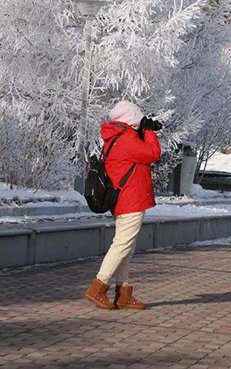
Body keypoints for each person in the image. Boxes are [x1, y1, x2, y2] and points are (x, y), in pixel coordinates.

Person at [84, 101, 161, 311]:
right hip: (131, 199)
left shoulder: (115, 137)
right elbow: (153, 153)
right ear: (130, 120)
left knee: (126, 247)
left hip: (123, 199)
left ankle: (123, 293)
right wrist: (149, 131)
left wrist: (143, 130)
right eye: (137, 120)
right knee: (121, 245)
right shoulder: (127, 139)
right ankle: (98, 287)